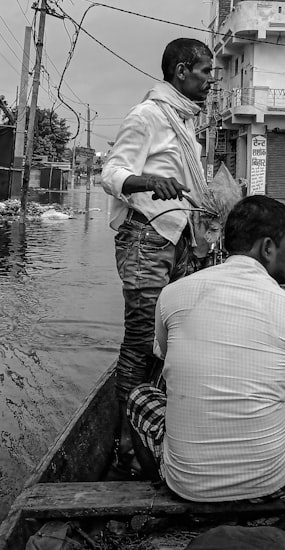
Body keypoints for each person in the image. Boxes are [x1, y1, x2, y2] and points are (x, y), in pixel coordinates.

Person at [126, 195, 285, 501]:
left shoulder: (171, 294)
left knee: (140, 396)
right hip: (272, 479)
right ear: (267, 248)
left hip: (185, 483)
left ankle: (156, 479)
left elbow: (165, 357)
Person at [101, 37, 215, 472]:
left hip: (177, 238)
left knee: (172, 336)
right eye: (204, 71)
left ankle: (155, 420)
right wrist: (147, 182)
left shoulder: (184, 122)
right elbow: (111, 173)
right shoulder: (148, 115)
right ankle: (126, 441)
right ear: (182, 71)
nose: (210, 80)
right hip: (145, 238)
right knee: (140, 343)